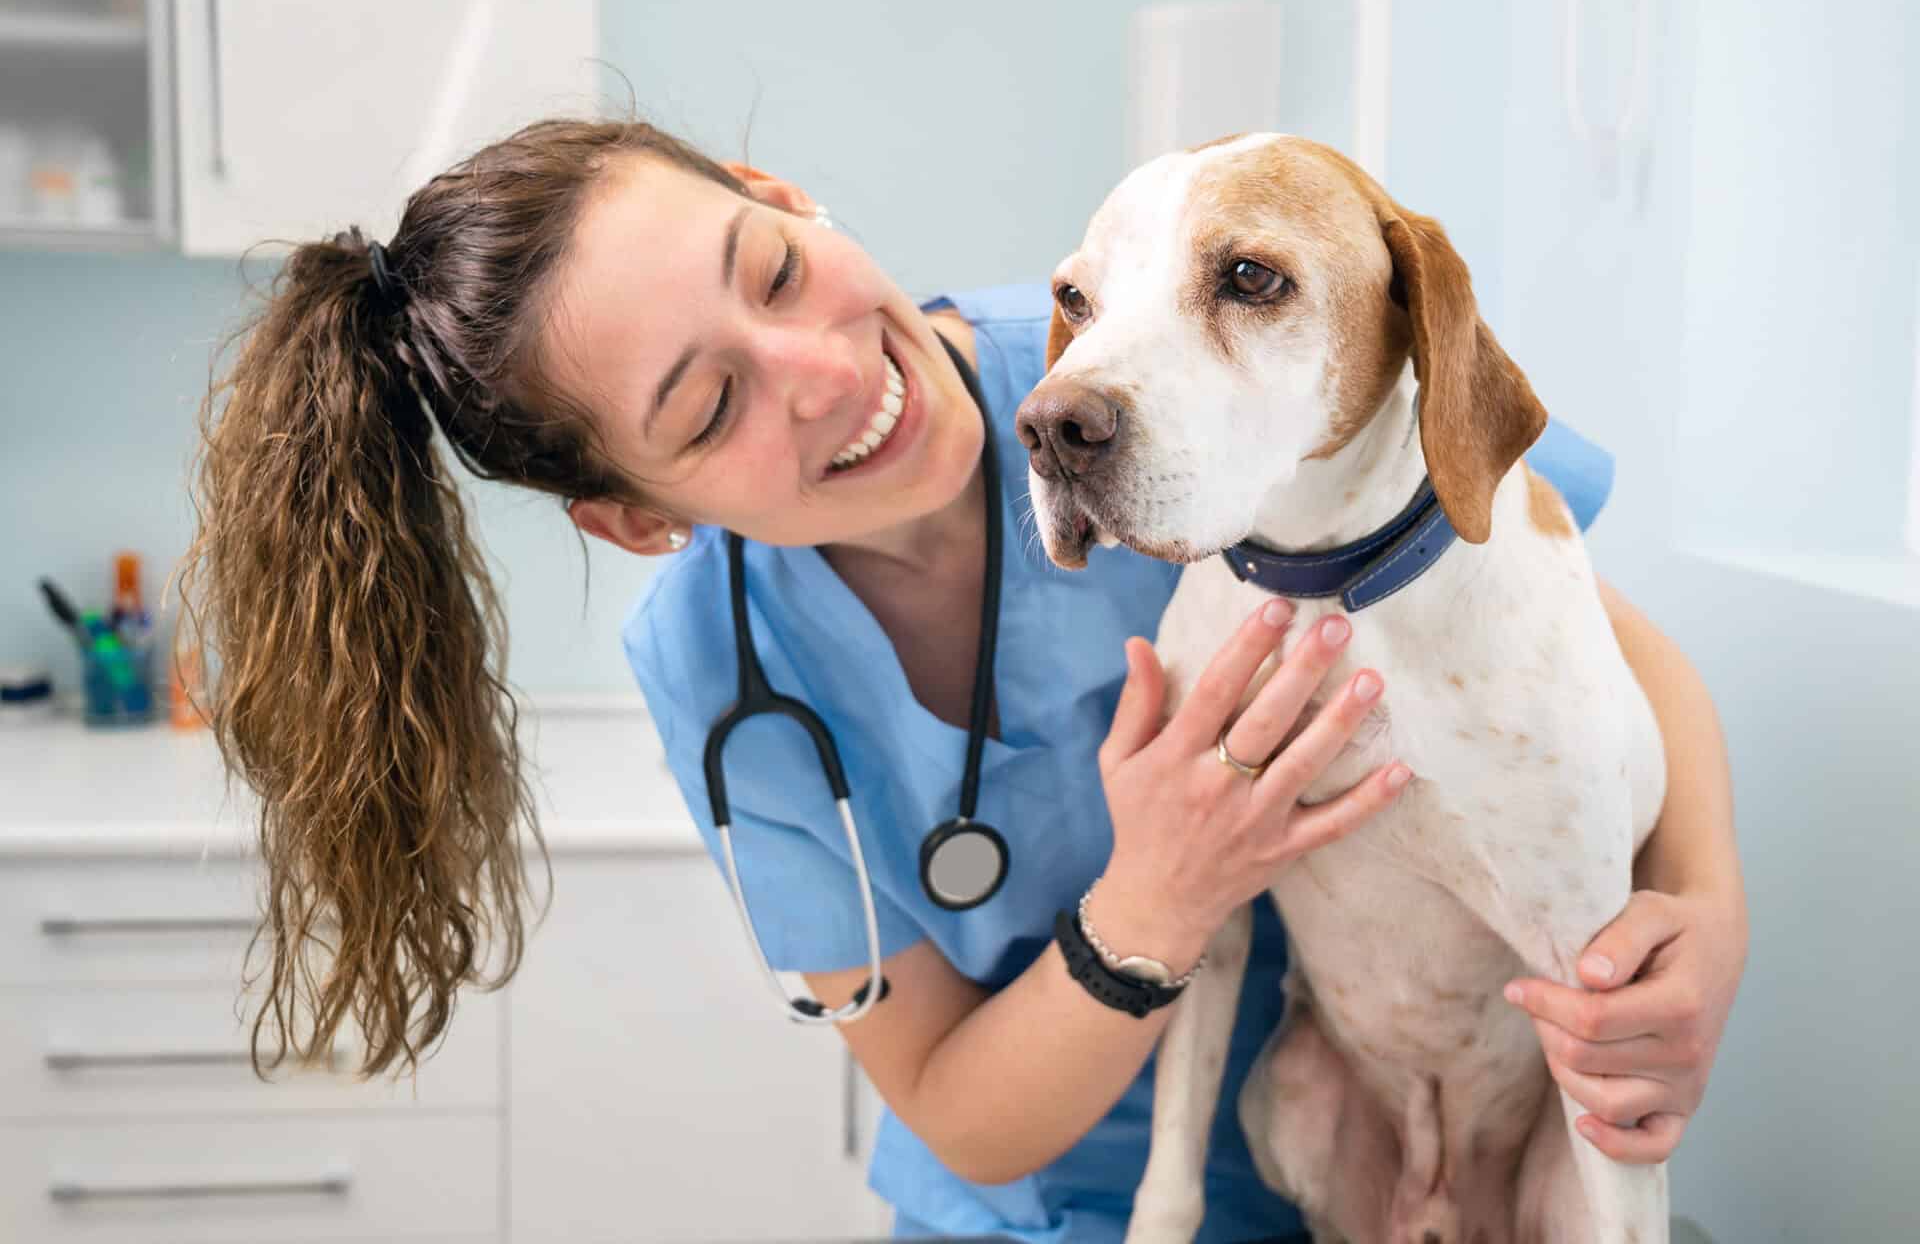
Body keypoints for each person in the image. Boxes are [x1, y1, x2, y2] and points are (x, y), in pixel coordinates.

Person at [182, 117, 1748, 1243]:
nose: (823, 369)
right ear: (638, 518)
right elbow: (951, 1100)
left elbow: (1577, 645)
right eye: (713, 400)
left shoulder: (1120, 372)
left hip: (1301, 1173)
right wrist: (1162, 894)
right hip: (1035, 1209)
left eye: (775, 268)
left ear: (786, 193)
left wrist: (1707, 917)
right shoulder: (727, 674)